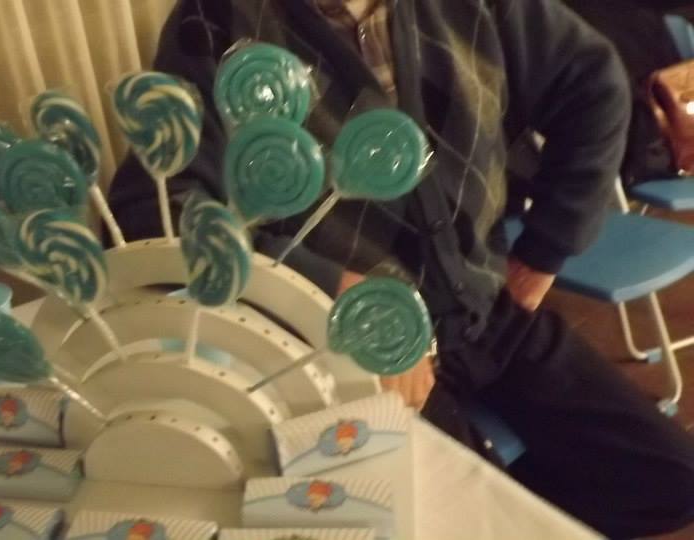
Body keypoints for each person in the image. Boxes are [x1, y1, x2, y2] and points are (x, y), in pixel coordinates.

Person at [108, 0, 694, 537]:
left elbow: (594, 83)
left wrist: (544, 252)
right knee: (466, 520)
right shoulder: (216, 21)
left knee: (672, 482)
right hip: (349, 353)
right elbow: (157, 210)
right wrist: (331, 291)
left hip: (484, 311)